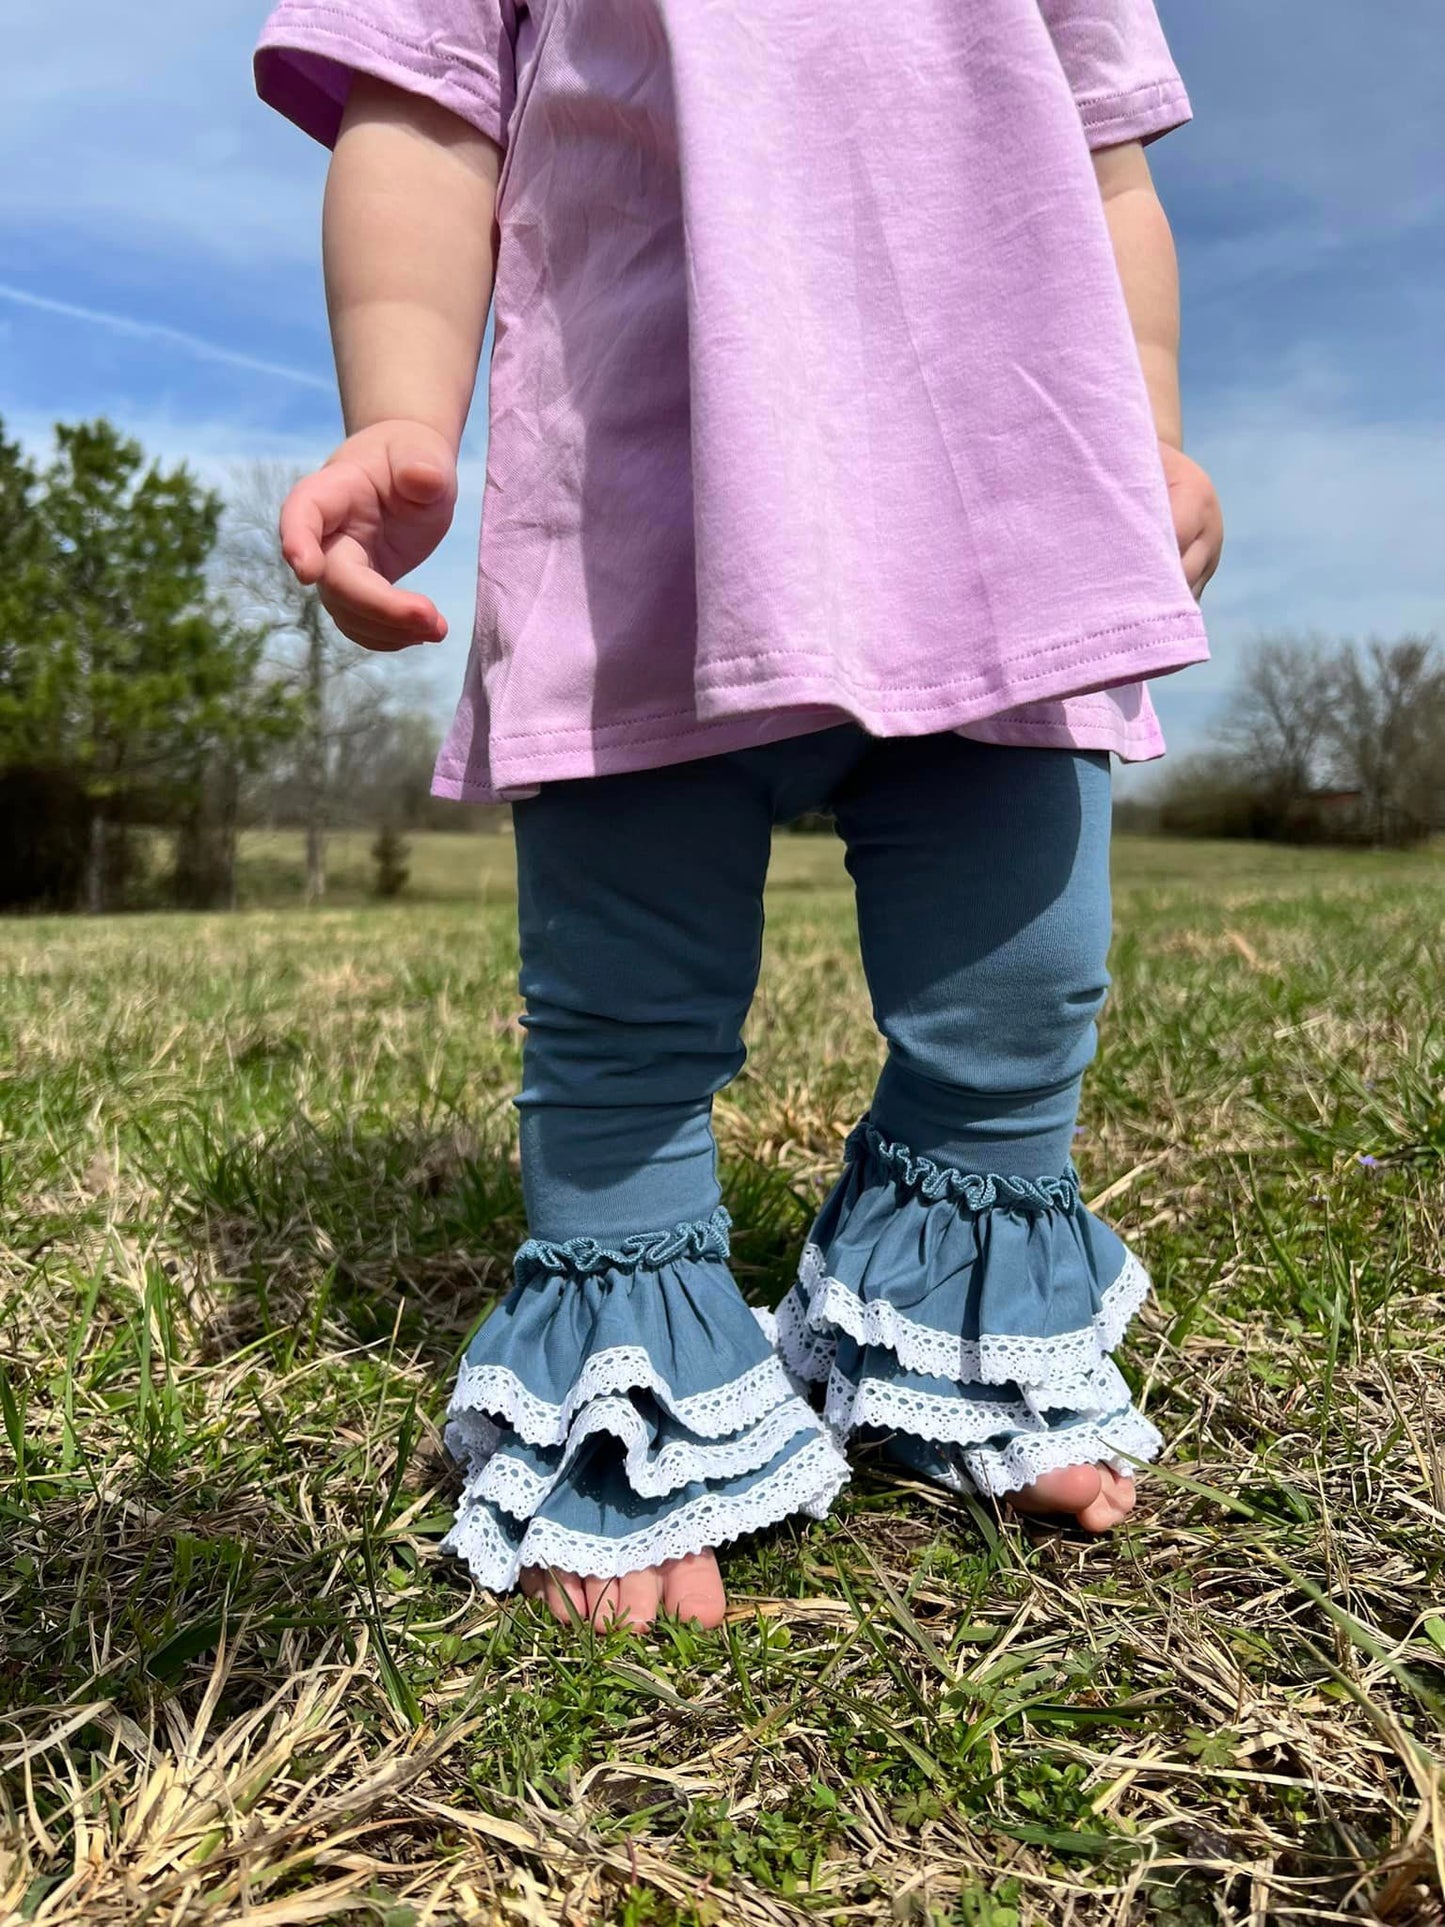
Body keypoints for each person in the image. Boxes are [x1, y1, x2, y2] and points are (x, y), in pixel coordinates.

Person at [254, 0, 1223, 1632]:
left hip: (1004, 512)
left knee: (1017, 992)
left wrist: (1150, 428)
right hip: (643, 517)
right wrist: (400, 411)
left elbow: (1105, 171)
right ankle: (630, 1397)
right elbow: (424, 118)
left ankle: (961, 1351)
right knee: (624, 1022)